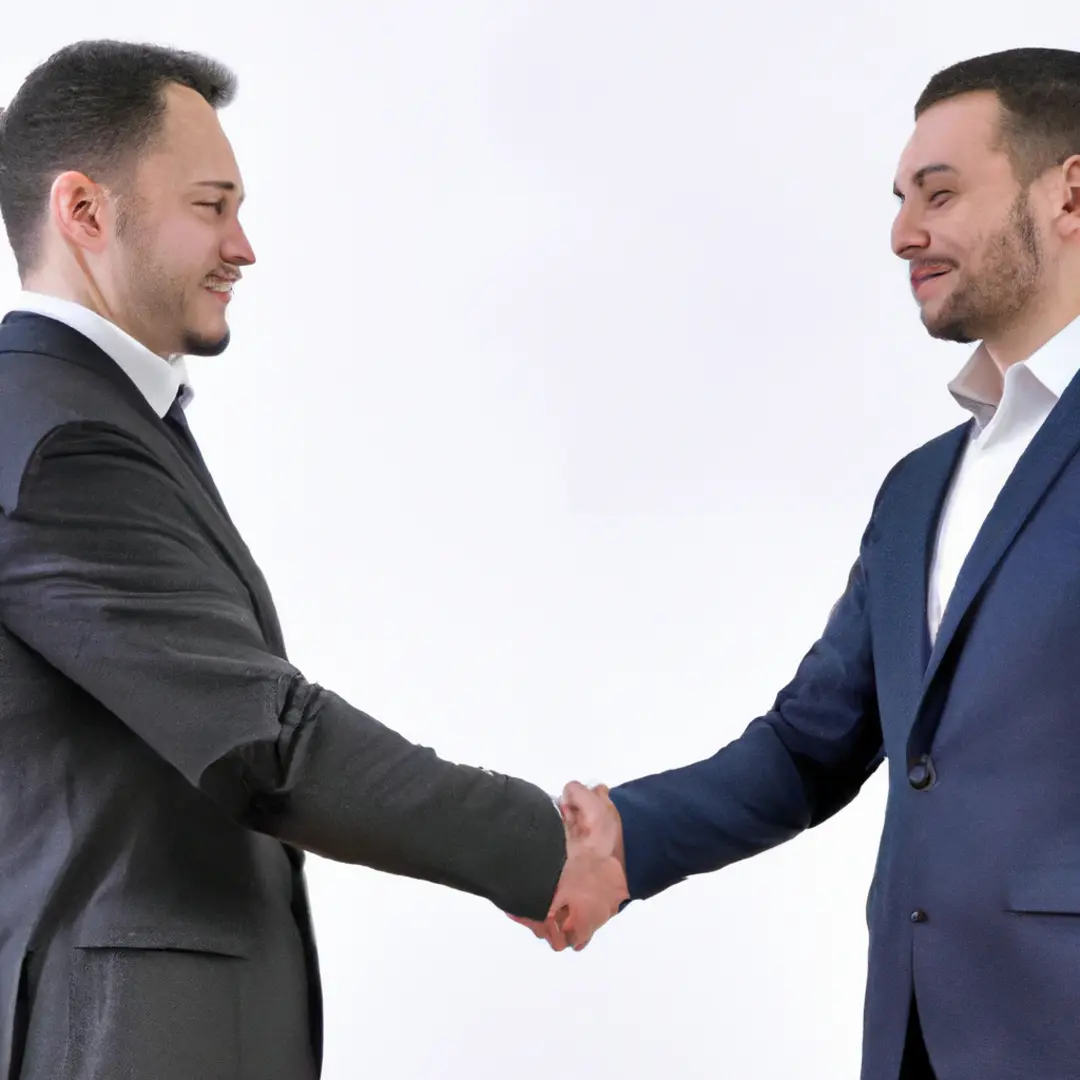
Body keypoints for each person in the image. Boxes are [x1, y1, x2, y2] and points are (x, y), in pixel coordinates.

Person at [0, 40, 628, 1080]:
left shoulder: (92, 417)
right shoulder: (57, 437)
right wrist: (539, 845)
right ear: (84, 211)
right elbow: (268, 744)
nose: (243, 246)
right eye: (212, 205)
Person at [521, 46, 1080, 1080]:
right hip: (915, 1036)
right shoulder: (920, 490)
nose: (904, 233)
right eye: (902, 198)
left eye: (941, 193)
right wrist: (623, 841)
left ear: (1070, 192)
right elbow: (810, 747)